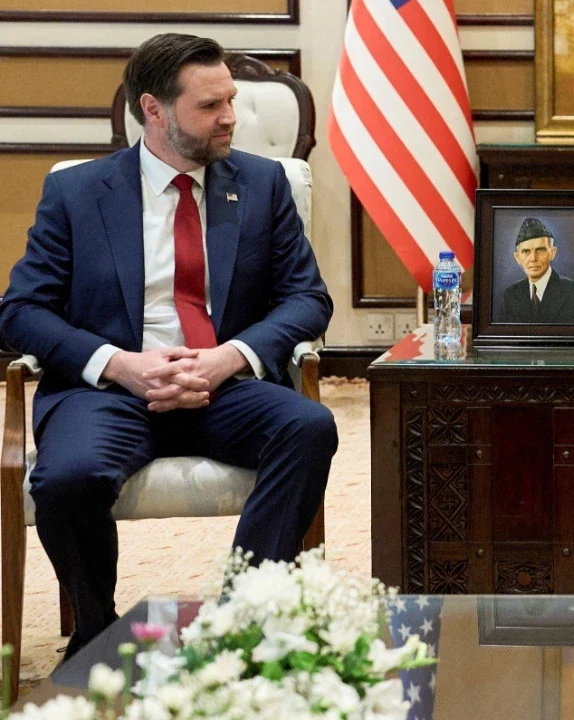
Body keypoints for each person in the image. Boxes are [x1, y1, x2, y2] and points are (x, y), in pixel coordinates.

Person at [0, 33, 337, 659]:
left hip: (223, 385)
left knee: (308, 427)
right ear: (153, 109)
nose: (230, 117)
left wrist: (229, 357)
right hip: (111, 390)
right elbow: (19, 312)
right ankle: (97, 635)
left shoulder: (262, 184)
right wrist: (120, 365)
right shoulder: (78, 193)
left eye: (230, 100)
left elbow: (307, 299)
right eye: (210, 105)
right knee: (67, 478)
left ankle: (244, 623)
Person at [498, 217, 574, 324]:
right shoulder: (510, 295)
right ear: (517, 257)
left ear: (552, 253)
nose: (533, 258)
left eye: (540, 250)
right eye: (526, 252)